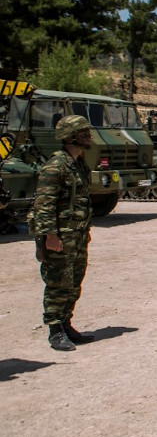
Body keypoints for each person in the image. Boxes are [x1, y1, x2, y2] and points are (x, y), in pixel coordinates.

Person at [31, 115, 95, 351]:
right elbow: (44, 204)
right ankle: (55, 330)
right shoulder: (56, 165)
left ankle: (66, 323)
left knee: (74, 281)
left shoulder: (78, 163)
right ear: (70, 136)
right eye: (83, 132)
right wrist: (50, 236)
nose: (89, 135)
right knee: (59, 281)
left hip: (76, 235)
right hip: (60, 237)